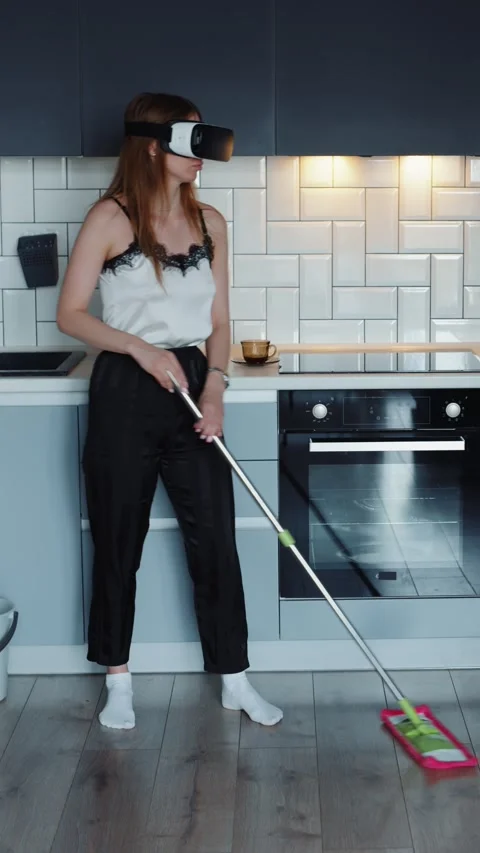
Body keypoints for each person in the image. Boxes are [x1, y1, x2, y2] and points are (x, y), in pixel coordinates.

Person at [57, 92, 283, 730]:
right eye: (192, 139)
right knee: (117, 539)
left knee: (215, 539)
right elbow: (70, 314)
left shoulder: (211, 221)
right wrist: (137, 348)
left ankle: (234, 678)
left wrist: (214, 389)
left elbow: (220, 320)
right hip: (125, 387)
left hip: (191, 384)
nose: (203, 154)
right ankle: (118, 680)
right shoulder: (110, 217)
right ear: (154, 147)